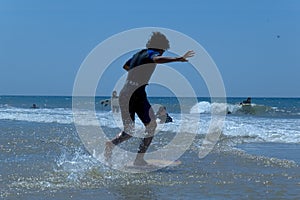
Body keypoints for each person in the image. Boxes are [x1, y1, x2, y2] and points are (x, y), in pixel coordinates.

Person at [104, 32, 195, 166]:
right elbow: (156, 59)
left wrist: (137, 74)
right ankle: (120, 150)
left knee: (142, 128)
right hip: (132, 95)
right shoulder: (151, 54)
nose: (162, 54)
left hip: (133, 93)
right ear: (160, 47)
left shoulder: (138, 54)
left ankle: (128, 153)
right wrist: (178, 59)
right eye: (163, 51)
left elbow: (125, 66)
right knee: (139, 129)